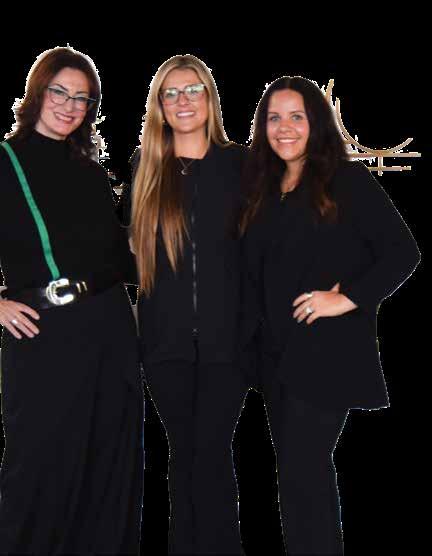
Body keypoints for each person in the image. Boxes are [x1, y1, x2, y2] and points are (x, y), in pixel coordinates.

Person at [239, 76, 421, 555]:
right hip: (275, 357)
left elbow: (403, 252)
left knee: (305, 473)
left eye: (296, 117)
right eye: (274, 118)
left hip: (326, 356)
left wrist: (348, 298)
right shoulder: (263, 186)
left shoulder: (346, 180)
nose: (284, 128)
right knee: (294, 477)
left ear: (315, 122)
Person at [0, 46, 144, 554]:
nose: (70, 106)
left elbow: (119, 259)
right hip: (45, 334)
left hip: (110, 327)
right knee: (40, 470)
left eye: (82, 98)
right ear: (37, 93)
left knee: (109, 466)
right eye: (60, 92)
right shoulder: (5, 162)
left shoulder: (89, 170)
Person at [123, 54, 249, 555]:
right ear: (159, 104)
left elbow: (268, 246)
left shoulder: (240, 164)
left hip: (228, 346)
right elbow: (122, 251)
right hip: (164, 346)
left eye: (193, 89)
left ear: (210, 98)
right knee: (181, 458)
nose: (183, 100)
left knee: (212, 455)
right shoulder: (145, 165)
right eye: (171, 92)